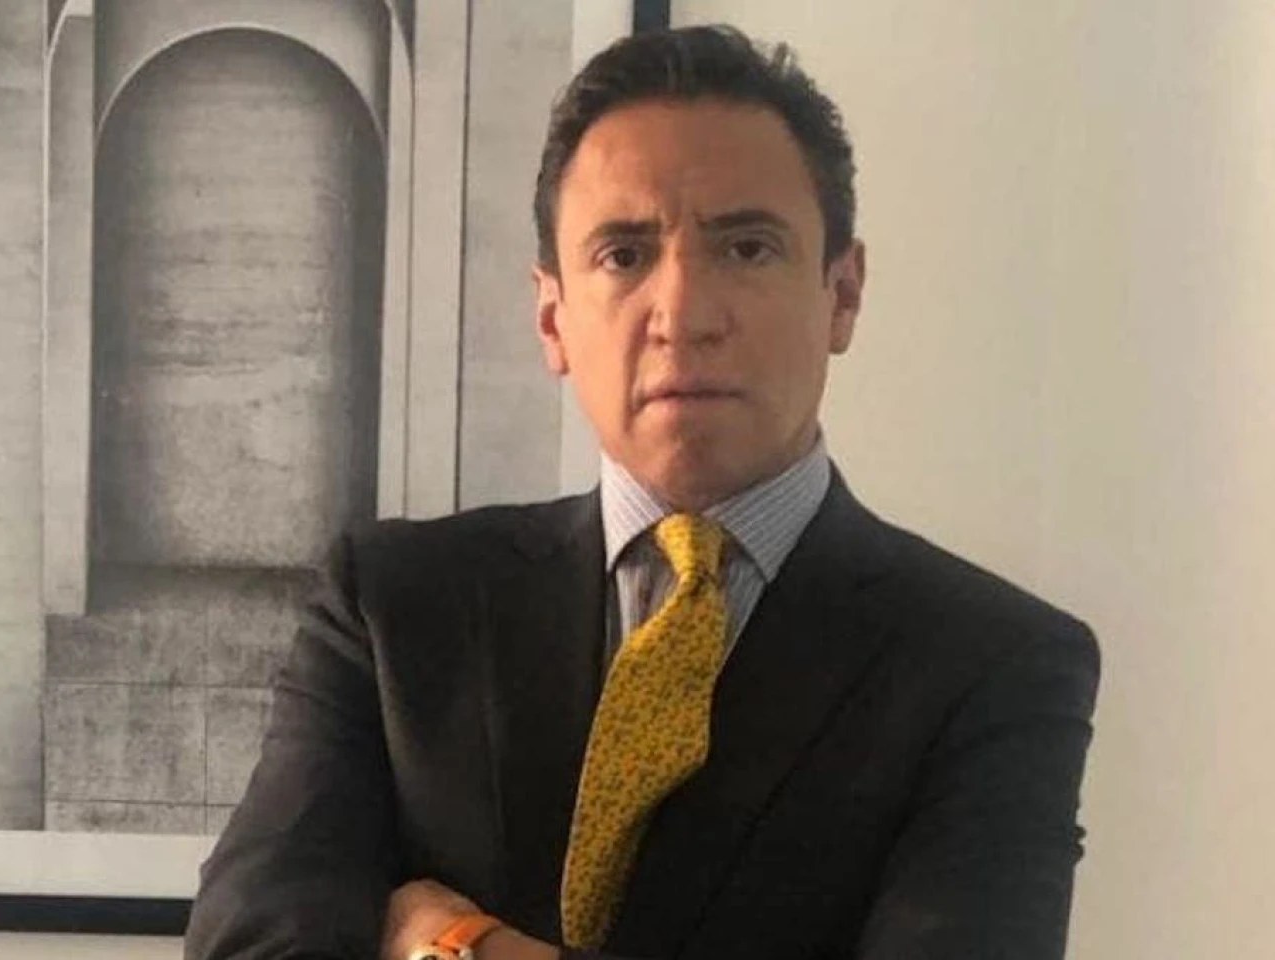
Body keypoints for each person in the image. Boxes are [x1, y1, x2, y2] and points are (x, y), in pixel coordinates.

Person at [185, 25, 1099, 960]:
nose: (684, 314)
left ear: (843, 293)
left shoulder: (994, 665)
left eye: (748, 248)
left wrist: (460, 943)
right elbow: (250, 942)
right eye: (624, 255)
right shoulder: (392, 605)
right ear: (552, 315)